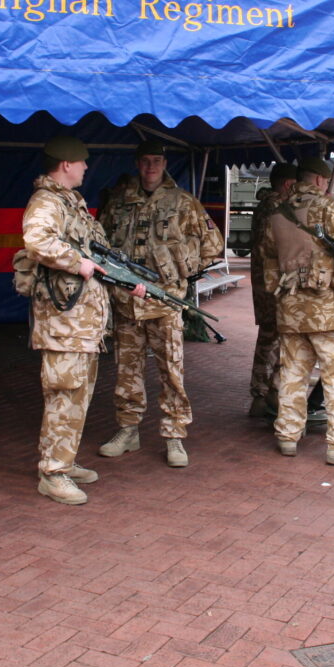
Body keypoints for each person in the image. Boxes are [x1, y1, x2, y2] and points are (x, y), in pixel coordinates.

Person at [16, 136, 143, 505]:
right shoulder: (47, 202)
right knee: (64, 395)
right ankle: (52, 474)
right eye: (83, 162)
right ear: (67, 165)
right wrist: (77, 262)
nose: (87, 168)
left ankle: (63, 462)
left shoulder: (71, 203)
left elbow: (96, 257)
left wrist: (127, 281)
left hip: (81, 324)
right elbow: (36, 240)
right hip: (63, 323)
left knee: (77, 397)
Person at [97, 140, 224, 468]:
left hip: (165, 303)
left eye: (156, 161)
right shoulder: (119, 201)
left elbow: (213, 245)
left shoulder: (183, 202)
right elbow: (101, 244)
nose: (150, 168)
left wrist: (181, 270)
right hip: (127, 301)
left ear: (165, 163)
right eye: (145, 161)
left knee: (171, 372)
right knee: (127, 370)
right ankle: (128, 430)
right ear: (137, 163)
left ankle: (174, 436)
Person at [257, 157, 334, 465]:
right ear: (319, 181)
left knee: (293, 373)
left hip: (290, 308)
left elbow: (267, 260)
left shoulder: (276, 212)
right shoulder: (327, 208)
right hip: (326, 309)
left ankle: (287, 436)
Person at [247, 162, 299, 418]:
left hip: (262, 284)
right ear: (289, 184)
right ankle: (271, 396)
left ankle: (259, 394)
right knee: (279, 339)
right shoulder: (279, 208)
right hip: (275, 284)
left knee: (267, 338)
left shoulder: (264, 205)